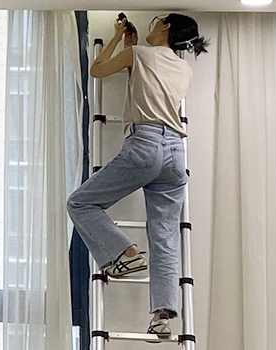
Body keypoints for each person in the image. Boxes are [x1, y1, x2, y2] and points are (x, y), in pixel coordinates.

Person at [67, 13, 209, 338]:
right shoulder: (184, 68)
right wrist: (133, 48)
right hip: (175, 154)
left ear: (165, 27)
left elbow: (97, 69)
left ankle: (125, 252)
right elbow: (150, 80)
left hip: (145, 145)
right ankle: (162, 315)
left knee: (80, 203)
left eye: (155, 20)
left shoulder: (139, 54)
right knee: (164, 236)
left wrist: (118, 39)